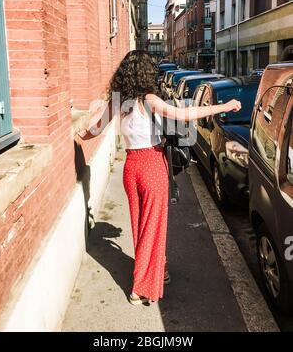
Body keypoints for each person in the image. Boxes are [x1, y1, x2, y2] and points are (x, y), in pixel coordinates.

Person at [79, 50, 241, 305]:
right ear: (145, 73)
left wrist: (77, 135)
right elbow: (184, 115)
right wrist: (225, 106)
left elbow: (93, 130)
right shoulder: (150, 99)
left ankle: (159, 270)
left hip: (131, 167)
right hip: (152, 165)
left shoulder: (119, 100)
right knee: (153, 228)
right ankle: (140, 287)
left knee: (140, 226)